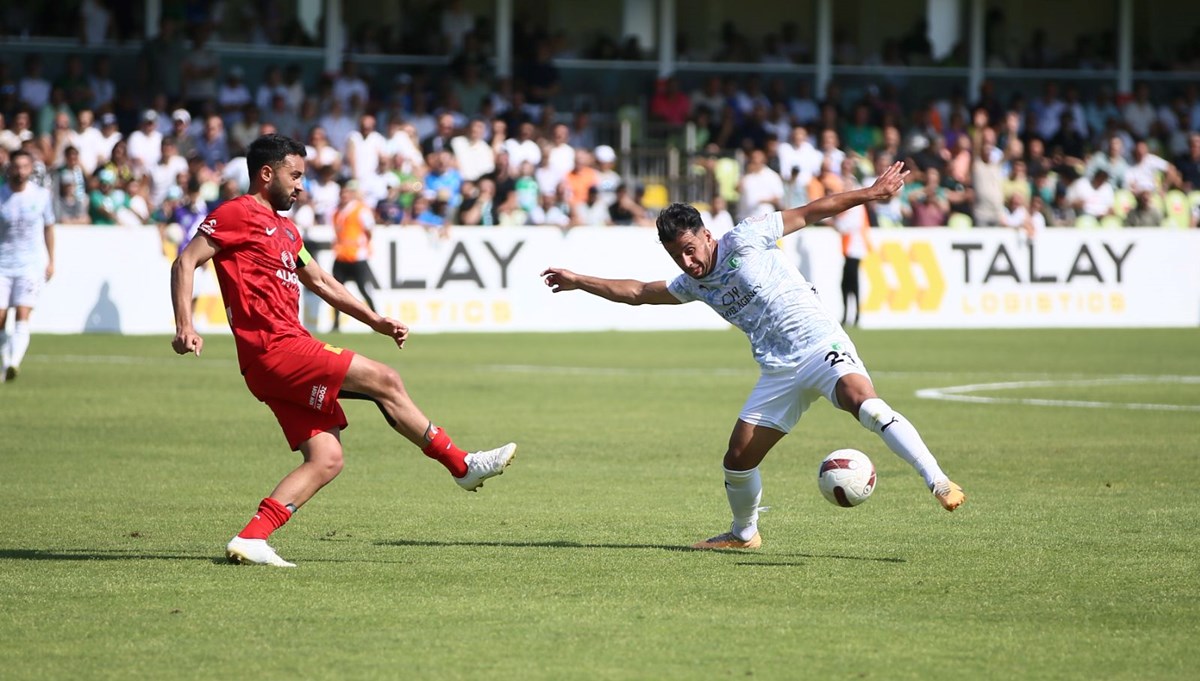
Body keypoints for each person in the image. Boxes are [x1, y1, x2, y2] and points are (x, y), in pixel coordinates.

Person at [541, 161, 964, 551]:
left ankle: (938, 481)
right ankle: (744, 534)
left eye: (690, 249)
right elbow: (636, 293)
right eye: (676, 256)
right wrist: (579, 280)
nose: (687, 263)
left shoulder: (747, 235)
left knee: (864, 403)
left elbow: (812, 211)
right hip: (779, 371)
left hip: (820, 345)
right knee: (738, 458)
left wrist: (870, 193)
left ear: (707, 235)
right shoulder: (694, 285)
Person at [170, 134, 516, 567]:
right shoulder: (236, 213)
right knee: (385, 380)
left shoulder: (288, 230)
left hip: (271, 363)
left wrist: (375, 320)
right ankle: (461, 464)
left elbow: (323, 283)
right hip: (276, 350)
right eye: (294, 176)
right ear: (266, 174)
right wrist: (186, 326)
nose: (300, 186)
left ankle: (252, 537)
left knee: (327, 458)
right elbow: (185, 262)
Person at [0, 150, 55, 383]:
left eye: (24, 166)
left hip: (30, 266)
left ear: (30, 169)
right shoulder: (1, 195)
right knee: (1, 317)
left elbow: (49, 227)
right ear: (9, 169)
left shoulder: (41, 196)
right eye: (16, 167)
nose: (20, 171)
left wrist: (51, 260)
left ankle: (14, 362)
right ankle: (4, 364)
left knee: (23, 314)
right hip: (2, 264)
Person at [330, 180, 378, 331]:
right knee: (335, 291)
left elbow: (369, 229)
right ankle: (336, 324)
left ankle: (376, 319)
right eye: (341, 194)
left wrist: (362, 245)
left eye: (346, 194)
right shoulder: (337, 212)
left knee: (364, 289)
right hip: (341, 256)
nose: (343, 197)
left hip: (357, 257)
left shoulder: (360, 209)